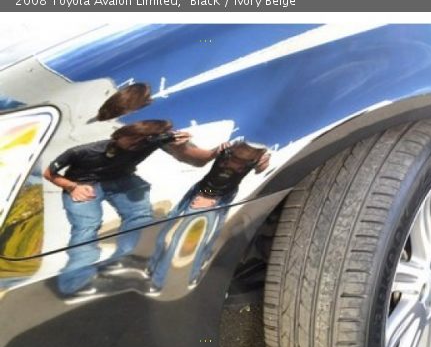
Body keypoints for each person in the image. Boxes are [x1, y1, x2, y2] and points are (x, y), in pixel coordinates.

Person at [44, 119, 226, 296]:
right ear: (118, 136)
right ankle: (73, 281)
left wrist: (192, 148)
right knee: (87, 226)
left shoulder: (151, 141)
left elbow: (197, 159)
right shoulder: (83, 151)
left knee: (140, 219)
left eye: (141, 141)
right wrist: (72, 187)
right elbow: (49, 173)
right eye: (131, 140)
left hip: (122, 179)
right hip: (83, 183)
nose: (136, 145)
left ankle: (120, 264)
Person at [148, 141, 270, 292]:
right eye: (243, 148)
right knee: (176, 230)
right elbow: (202, 158)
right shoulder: (226, 151)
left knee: (192, 237)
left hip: (216, 196)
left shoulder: (251, 160)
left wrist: (263, 161)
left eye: (250, 151)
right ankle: (157, 271)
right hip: (205, 191)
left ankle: (169, 278)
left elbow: (260, 169)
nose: (242, 154)